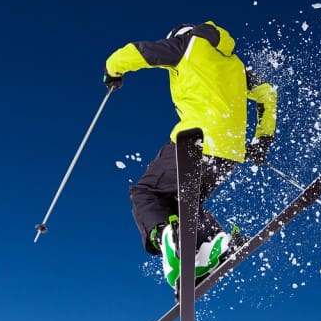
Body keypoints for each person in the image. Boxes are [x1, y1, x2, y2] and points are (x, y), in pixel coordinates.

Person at [103, 21, 277, 291]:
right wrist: (262, 140)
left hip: (195, 142)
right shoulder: (235, 66)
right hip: (229, 153)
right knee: (183, 205)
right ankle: (213, 245)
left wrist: (111, 69)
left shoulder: (186, 45)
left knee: (146, 193)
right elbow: (268, 95)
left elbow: (138, 53)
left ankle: (167, 237)